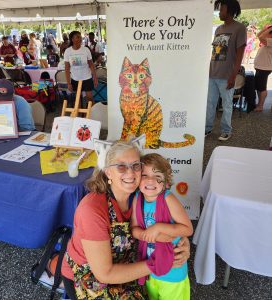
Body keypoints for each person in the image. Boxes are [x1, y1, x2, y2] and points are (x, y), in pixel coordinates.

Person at [61, 138, 191, 299]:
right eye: (121, 166)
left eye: (136, 166)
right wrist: (160, 263)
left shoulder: (141, 196)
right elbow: (105, 274)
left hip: (129, 263)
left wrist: (181, 243)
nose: (130, 173)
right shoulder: (92, 210)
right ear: (108, 172)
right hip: (91, 276)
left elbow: (171, 225)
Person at [131, 153, 193, 300]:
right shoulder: (138, 198)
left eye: (156, 175)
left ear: (165, 182)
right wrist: (151, 235)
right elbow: (134, 228)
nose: (150, 180)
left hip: (173, 272)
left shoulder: (168, 199)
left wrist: (158, 228)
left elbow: (187, 228)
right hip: (149, 268)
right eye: (144, 175)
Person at [205, 0, 246, 141]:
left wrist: (233, 76)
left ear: (230, 10)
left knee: (226, 105)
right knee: (210, 103)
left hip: (227, 75)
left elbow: (240, 55)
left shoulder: (239, 28)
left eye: (221, 9)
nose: (219, 12)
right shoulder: (218, 29)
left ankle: (226, 130)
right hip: (212, 73)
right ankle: (207, 128)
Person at [64, 31, 98, 104]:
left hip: (87, 78)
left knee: (90, 99)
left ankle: (93, 114)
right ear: (72, 39)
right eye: (78, 37)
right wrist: (68, 83)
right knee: (77, 100)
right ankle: (78, 115)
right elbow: (67, 69)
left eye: (80, 37)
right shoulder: (68, 51)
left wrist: (95, 78)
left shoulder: (86, 50)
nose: (80, 39)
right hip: (75, 79)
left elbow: (91, 65)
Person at [253, 25, 272, 112]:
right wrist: (265, 29)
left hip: (265, 68)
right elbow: (258, 35)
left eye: (267, 33)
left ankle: (261, 106)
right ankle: (259, 103)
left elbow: (260, 37)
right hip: (261, 67)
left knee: (262, 87)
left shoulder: (270, 41)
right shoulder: (268, 41)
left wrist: (270, 28)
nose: (266, 34)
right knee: (259, 86)